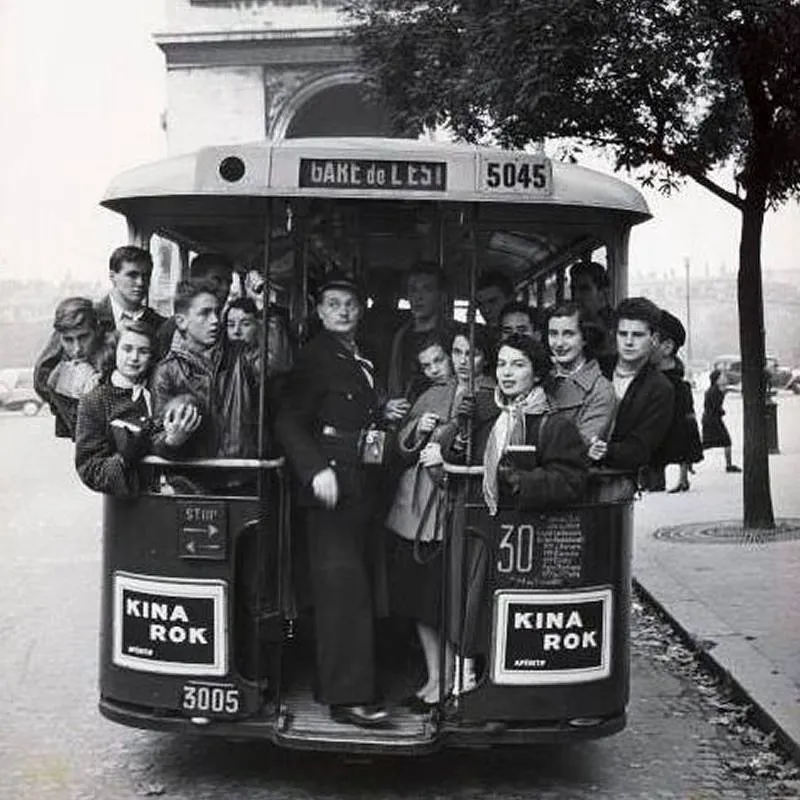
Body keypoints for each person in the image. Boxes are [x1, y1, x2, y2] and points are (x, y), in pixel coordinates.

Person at [276, 272, 392, 729]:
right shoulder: (314, 357)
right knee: (343, 591)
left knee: (353, 588)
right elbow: (288, 421)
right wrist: (315, 470)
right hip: (329, 489)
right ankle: (348, 698)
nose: (343, 311)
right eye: (333, 304)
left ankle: (342, 686)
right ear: (319, 312)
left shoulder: (357, 355)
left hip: (360, 486)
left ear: (359, 310)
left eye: (350, 303)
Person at [385, 333, 462, 711]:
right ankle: (435, 676)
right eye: (427, 365)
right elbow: (402, 441)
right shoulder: (429, 395)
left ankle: (447, 677)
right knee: (419, 600)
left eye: (440, 360)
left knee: (435, 600)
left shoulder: (476, 394)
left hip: (439, 505)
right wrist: (417, 428)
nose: (435, 370)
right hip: (415, 509)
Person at [150, 278, 257, 460]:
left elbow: (278, 362)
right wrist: (173, 440)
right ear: (182, 321)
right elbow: (157, 438)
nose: (215, 320)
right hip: (191, 482)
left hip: (242, 476)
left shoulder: (241, 355)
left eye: (217, 312)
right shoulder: (166, 372)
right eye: (205, 314)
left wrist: (265, 302)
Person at [588, 297, 674, 473]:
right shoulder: (595, 367)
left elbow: (642, 448)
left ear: (654, 339)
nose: (628, 342)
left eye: (637, 335)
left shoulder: (660, 388)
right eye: (622, 333)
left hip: (617, 482)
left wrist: (605, 450)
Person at [74, 319, 157, 497]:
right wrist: (124, 458)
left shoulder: (159, 388)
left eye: (143, 351)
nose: (134, 357)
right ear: (114, 350)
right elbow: (89, 468)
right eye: (127, 349)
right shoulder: (96, 400)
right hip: (127, 504)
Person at [34, 297, 107, 440]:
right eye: (68, 340)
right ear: (59, 338)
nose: (77, 349)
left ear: (97, 330)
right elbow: (40, 379)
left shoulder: (116, 352)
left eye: (83, 337)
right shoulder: (56, 375)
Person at [546, 301, 617, 447]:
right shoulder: (539, 377)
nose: (559, 343)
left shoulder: (600, 390)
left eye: (568, 334)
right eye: (553, 334)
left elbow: (579, 447)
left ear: (585, 337)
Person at [649, 310, 704, 492]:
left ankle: (680, 479)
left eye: (651, 339)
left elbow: (687, 418)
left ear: (667, 347)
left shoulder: (676, 386)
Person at [387, 261, 452, 404]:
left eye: (427, 289)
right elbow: (395, 381)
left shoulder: (451, 335)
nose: (418, 297)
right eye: (413, 290)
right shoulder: (401, 335)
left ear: (441, 296)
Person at [157, 252, 235, 354]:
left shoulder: (228, 325)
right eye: (217, 280)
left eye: (229, 283)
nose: (225, 288)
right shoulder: (170, 330)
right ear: (196, 280)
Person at [95, 246, 166, 334]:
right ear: (113, 276)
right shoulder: (92, 317)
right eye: (132, 275)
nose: (141, 283)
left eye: (146, 276)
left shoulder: (162, 325)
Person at [569, 260, 616, 367]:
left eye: (584, 289)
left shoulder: (618, 326)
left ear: (603, 292)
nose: (576, 296)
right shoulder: (567, 322)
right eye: (573, 289)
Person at [702, 369, 741, 473]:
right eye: (721, 377)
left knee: (708, 443)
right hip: (712, 420)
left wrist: (735, 390)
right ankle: (729, 466)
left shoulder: (715, 389)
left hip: (710, 419)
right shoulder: (714, 391)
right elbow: (714, 407)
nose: (724, 378)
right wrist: (721, 411)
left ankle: (688, 463)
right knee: (725, 441)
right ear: (716, 380)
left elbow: (727, 390)